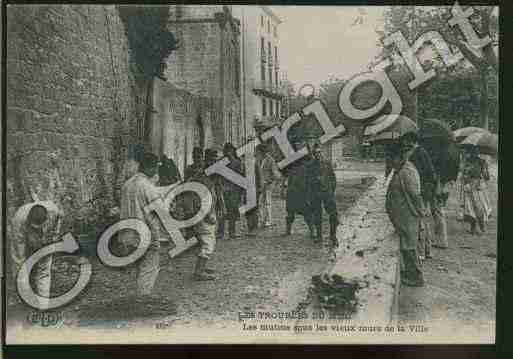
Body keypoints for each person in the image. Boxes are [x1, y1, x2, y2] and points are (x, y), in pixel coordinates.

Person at [120, 152, 177, 297]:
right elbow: (162, 212)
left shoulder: (127, 184)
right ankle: (142, 299)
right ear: (151, 168)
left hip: (128, 233)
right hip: (146, 234)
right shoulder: (147, 187)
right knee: (149, 268)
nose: (156, 171)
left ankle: (136, 297)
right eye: (156, 167)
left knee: (137, 267)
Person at [386, 145, 427, 287]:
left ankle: (416, 277)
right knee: (406, 246)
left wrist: (420, 213)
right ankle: (409, 273)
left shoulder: (407, 171)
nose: (391, 162)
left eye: (392, 159)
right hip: (402, 218)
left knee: (410, 247)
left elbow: (415, 195)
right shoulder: (400, 170)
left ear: (400, 157)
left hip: (408, 216)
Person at [10, 201, 63, 309]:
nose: (37, 228)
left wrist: (54, 236)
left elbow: (59, 220)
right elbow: (19, 257)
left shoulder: (54, 210)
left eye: (40, 226)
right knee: (21, 269)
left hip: (46, 239)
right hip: (24, 240)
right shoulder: (19, 221)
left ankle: (43, 305)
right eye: (35, 227)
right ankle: (24, 300)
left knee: (44, 270)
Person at [398, 132, 443, 257]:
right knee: (423, 221)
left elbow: (427, 173)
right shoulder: (415, 152)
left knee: (421, 222)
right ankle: (427, 250)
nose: (405, 144)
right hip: (421, 190)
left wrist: (423, 191)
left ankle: (422, 251)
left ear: (411, 141)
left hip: (422, 191)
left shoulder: (420, 153)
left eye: (406, 141)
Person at [182, 160, 220, 281]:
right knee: (208, 243)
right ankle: (199, 271)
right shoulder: (206, 184)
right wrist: (208, 216)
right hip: (203, 218)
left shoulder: (202, 181)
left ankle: (201, 268)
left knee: (206, 241)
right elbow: (202, 203)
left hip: (200, 216)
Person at [307, 143, 339, 246]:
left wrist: (332, 190)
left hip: (327, 193)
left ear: (322, 152)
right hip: (316, 194)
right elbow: (307, 181)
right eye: (316, 153)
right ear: (313, 154)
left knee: (333, 214)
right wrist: (315, 180)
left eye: (320, 152)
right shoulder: (310, 166)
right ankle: (319, 236)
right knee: (317, 216)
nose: (318, 154)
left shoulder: (327, 163)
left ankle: (333, 236)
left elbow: (333, 178)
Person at [461, 146, 490, 235]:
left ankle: (482, 228)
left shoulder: (481, 162)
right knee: (470, 208)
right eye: (473, 151)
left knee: (478, 207)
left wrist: (485, 169)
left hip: (477, 186)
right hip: (469, 186)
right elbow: (464, 174)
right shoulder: (468, 161)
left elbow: (486, 177)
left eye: (476, 152)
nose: (474, 153)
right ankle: (474, 228)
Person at [220, 143, 243, 240]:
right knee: (222, 211)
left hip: (234, 190)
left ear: (233, 151)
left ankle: (231, 232)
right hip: (223, 189)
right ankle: (220, 232)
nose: (228, 152)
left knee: (232, 211)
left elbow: (241, 177)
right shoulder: (221, 162)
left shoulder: (237, 162)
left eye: (230, 150)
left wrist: (241, 192)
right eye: (226, 150)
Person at [204, 148, 226, 240]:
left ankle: (221, 231)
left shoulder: (217, 165)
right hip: (208, 189)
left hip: (217, 188)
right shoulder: (205, 165)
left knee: (220, 210)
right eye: (210, 158)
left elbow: (221, 177)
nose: (211, 160)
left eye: (213, 158)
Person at [259, 143, 281, 228]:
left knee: (267, 202)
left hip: (268, 184)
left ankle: (268, 221)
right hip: (262, 184)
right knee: (261, 203)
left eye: (261, 151)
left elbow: (275, 173)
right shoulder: (260, 159)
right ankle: (262, 220)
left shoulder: (270, 160)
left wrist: (270, 181)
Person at [245, 142, 263, 237]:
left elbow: (259, 175)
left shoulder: (255, 162)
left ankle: (254, 228)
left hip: (254, 188)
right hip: (246, 188)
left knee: (254, 208)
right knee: (248, 209)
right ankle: (249, 227)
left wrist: (260, 187)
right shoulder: (244, 163)